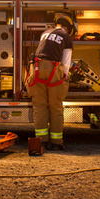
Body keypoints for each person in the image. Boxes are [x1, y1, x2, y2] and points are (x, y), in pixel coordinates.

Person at [26, 13, 75, 151]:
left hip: (36, 69)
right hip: (53, 69)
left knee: (40, 107)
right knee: (55, 106)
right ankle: (56, 142)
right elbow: (65, 61)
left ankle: (41, 142)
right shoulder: (66, 37)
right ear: (67, 28)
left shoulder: (45, 33)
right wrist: (64, 77)